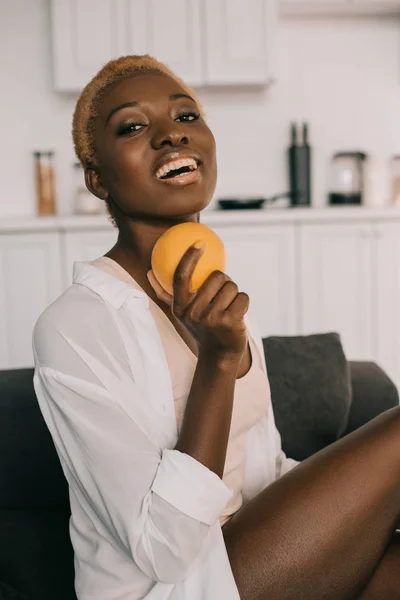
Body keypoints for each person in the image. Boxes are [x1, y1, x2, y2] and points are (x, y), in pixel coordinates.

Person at [33, 55, 400, 600]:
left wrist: (363, 510)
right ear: (97, 178)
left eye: (185, 117)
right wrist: (218, 362)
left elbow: (264, 471)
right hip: (177, 587)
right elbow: (164, 549)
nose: (168, 136)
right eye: (133, 126)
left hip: (259, 558)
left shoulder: (218, 294)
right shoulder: (75, 326)